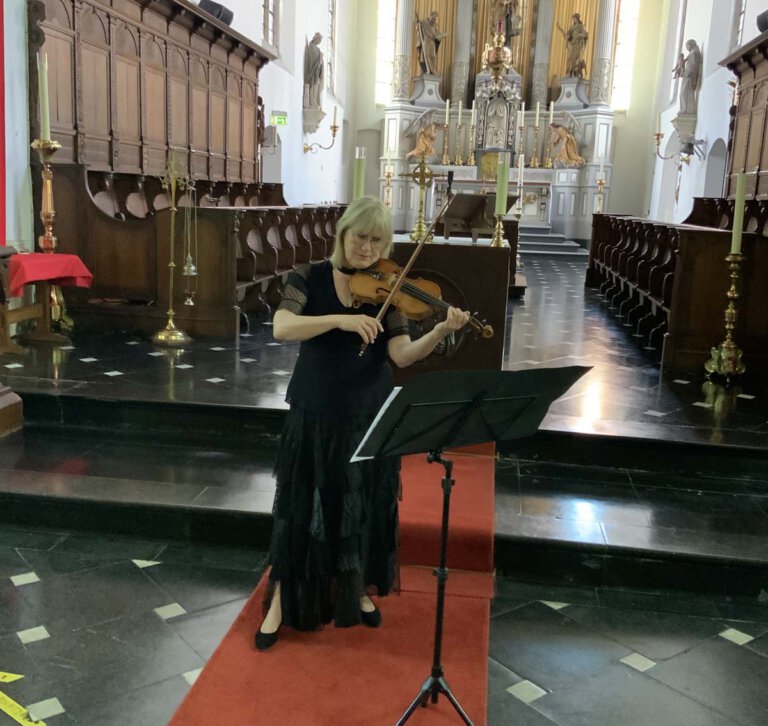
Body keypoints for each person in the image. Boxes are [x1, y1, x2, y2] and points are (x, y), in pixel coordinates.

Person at [256, 197, 470, 650]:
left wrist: (438, 332)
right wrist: (341, 320)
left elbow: (400, 354)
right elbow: (281, 327)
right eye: (360, 237)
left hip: (367, 411)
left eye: (377, 240)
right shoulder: (309, 276)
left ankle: (353, 587)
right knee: (304, 505)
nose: (368, 248)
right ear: (342, 233)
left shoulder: (389, 289)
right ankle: (282, 599)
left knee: (360, 505)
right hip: (315, 408)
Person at [416, 11, 448, 75]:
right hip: (426, 42)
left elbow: (436, 35)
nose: (434, 20)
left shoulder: (435, 25)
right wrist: (417, 18)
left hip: (432, 43)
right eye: (433, 18)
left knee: (432, 57)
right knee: (425, 56)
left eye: (435, 19)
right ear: (430, 16)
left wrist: (443, 35)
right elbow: (418, 24)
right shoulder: (424, 22)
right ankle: (426, 70)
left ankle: (432, 71)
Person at [557, 14, 588, 78]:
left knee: (575, 59)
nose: (573, 20)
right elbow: (568, 35)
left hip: (577, 44)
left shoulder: (580, 26)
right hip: (572, 44)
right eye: (573, 18)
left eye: (574, 18)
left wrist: (579, 36)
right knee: (569, 58)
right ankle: (569, 71)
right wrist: (561, 30)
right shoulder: (572, 27)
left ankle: (574, 71)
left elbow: (585, 34)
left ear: (577, 19)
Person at [678, 39, 702, 115]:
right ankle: (684, 109)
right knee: (682, 93)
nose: (686, 48)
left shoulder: (694, 53)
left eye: (687, 46)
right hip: (687, 75)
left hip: (689, 77)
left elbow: (695, 66)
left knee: (684, 93)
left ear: (691, 44)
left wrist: (693, 79)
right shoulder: (692, 53)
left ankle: (686, 110)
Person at [304, 32, 324, 108]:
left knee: (316, 87)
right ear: (316, 38)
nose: (319, 42)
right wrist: (320, 58)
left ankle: (314, 101)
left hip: (317, 72)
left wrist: (321, 60)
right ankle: (312, 101)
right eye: (319, 40)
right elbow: (313, 59)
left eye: (320, 41)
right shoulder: (311, 47)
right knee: (313, 86)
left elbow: (319, 60)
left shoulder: (317, 49)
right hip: (313, 72)